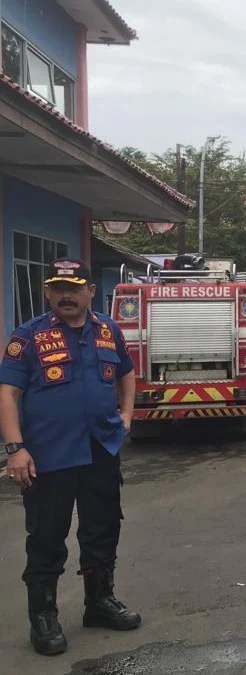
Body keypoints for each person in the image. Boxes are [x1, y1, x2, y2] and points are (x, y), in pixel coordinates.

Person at [0, 258, 142, 656]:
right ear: (48, 292)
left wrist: (127, 414)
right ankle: (43, 618)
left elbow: (127, 373)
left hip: (101, 448)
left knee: (101, 528)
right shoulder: (27, 338)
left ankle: (99, 602)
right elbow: (7, 393)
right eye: (58, 287)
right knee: (47, 535)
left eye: (74, 287)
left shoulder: (107, 330)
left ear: (89, 291)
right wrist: (15, 448)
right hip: (49, 454)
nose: (66, 295)